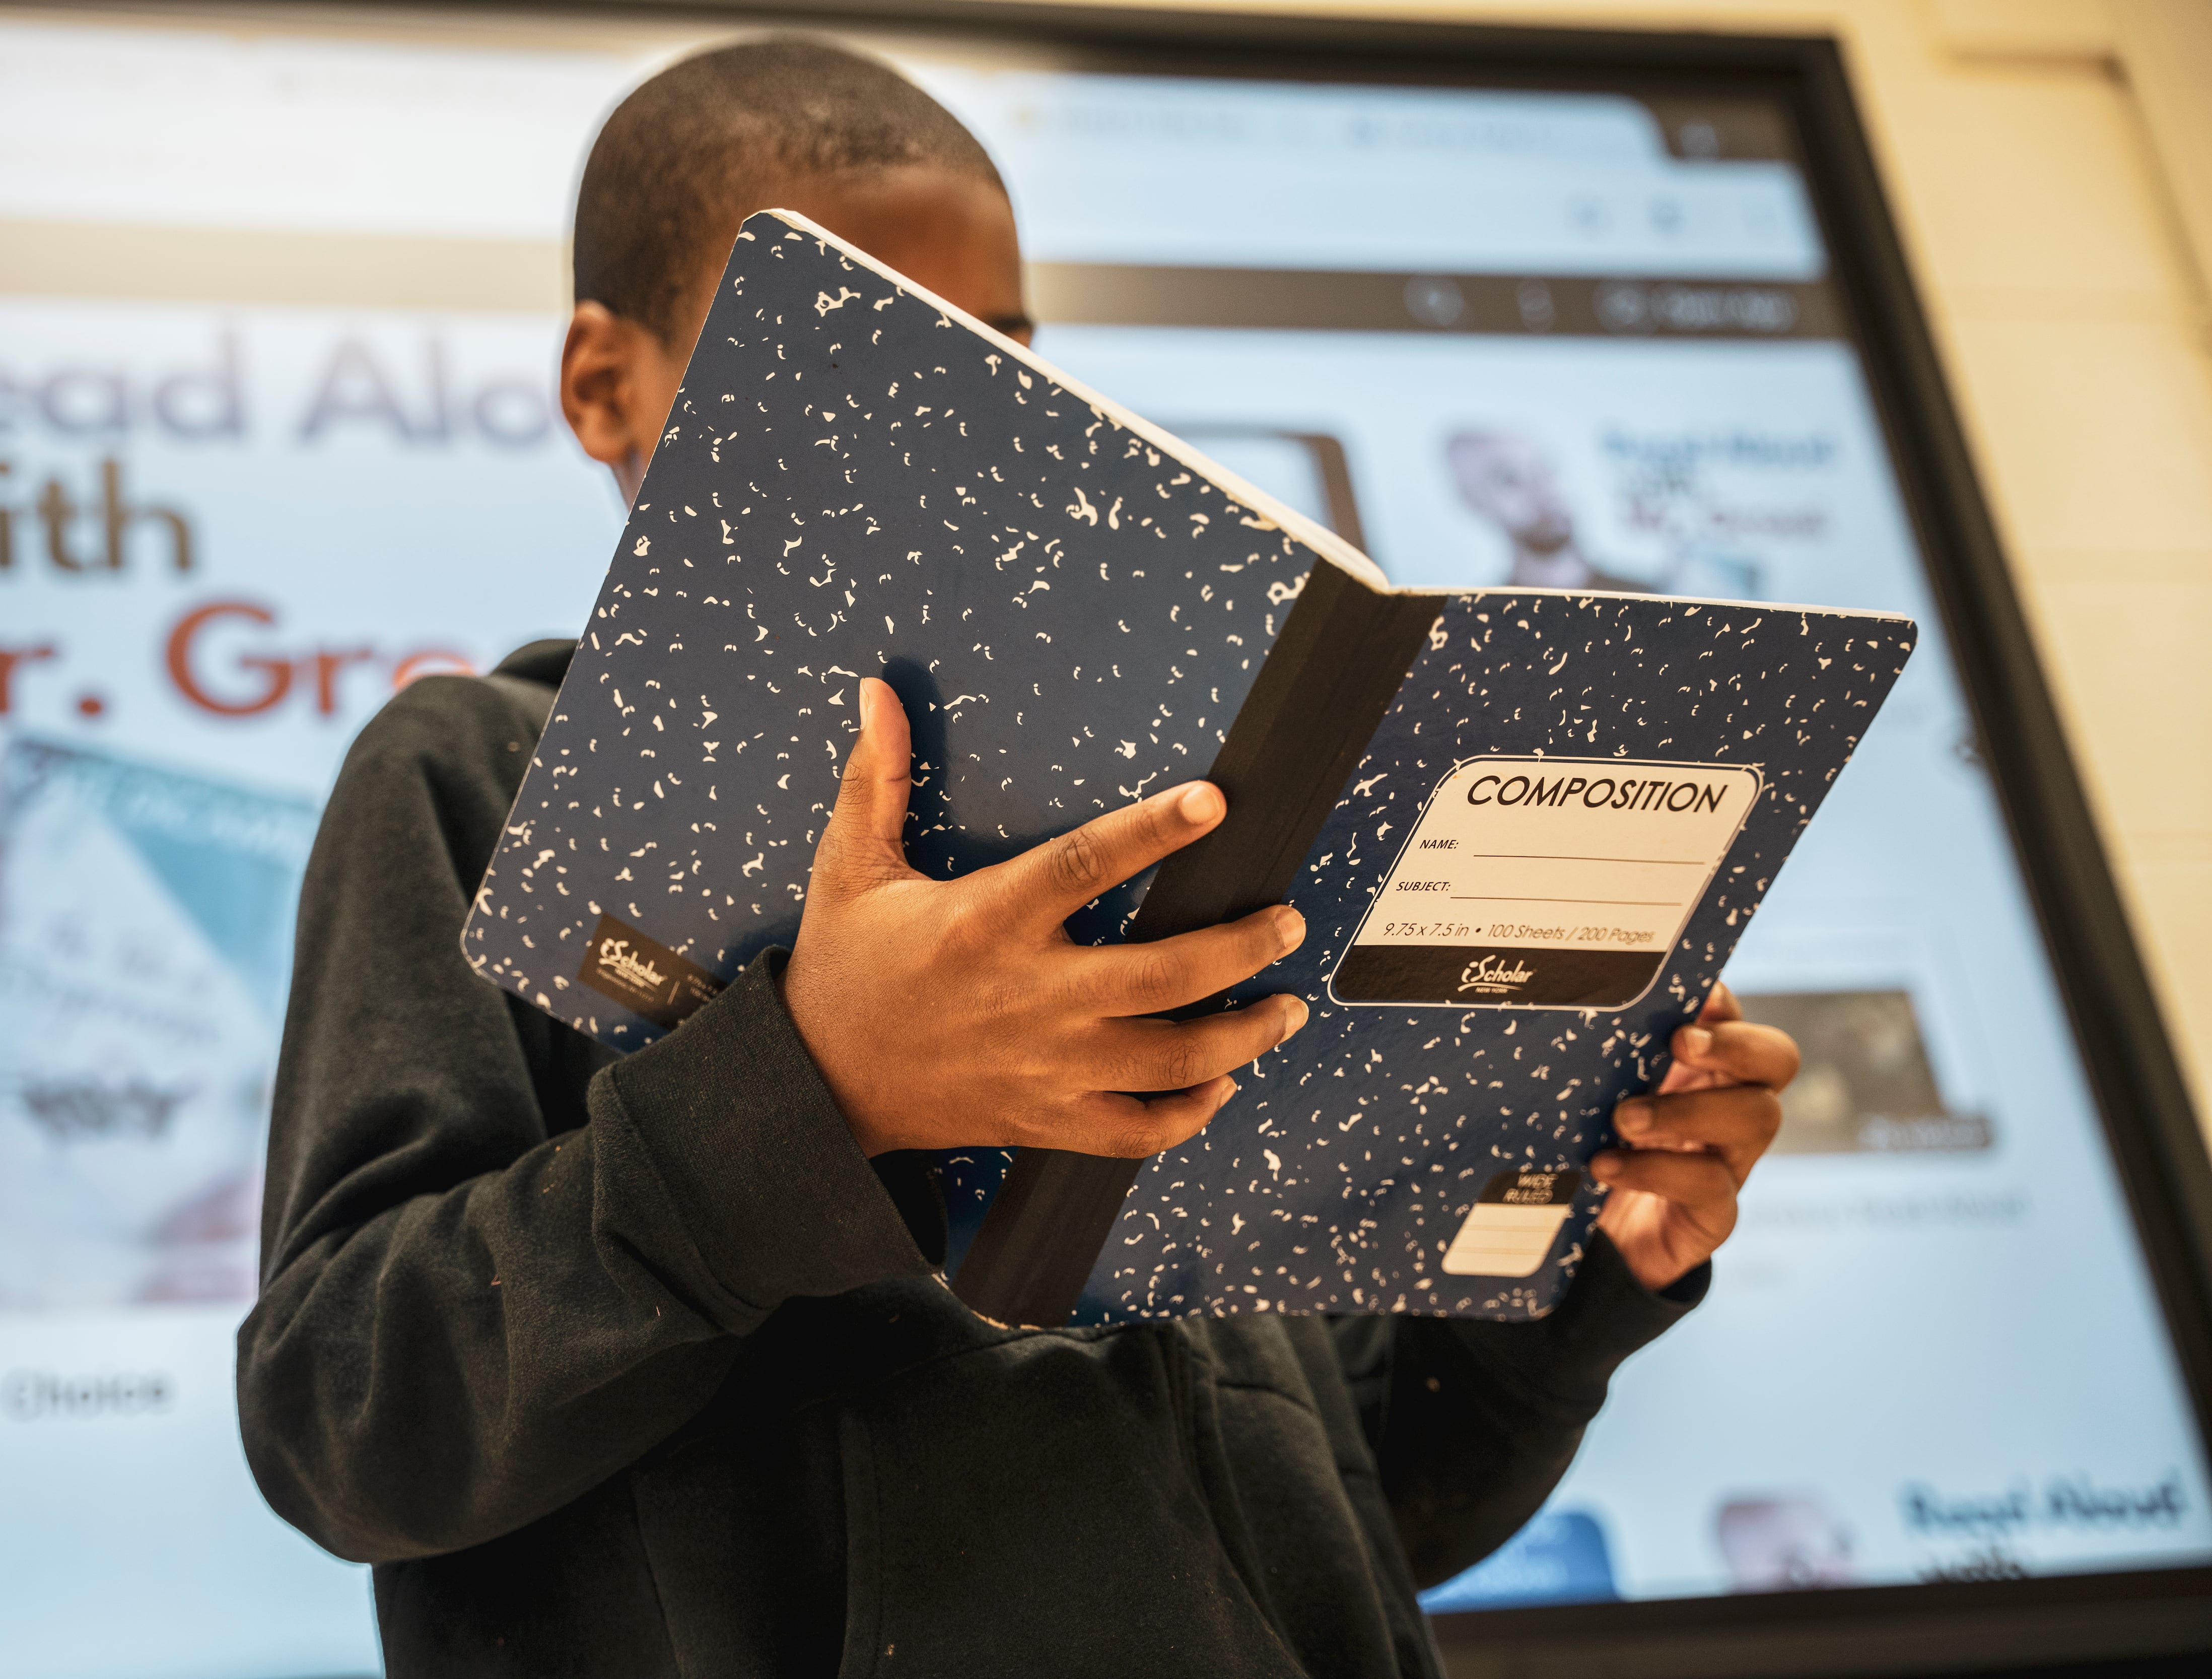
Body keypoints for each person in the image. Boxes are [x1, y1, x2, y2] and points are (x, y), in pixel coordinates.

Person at [239, 38, 1798, 1677]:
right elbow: (344, 1419)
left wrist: (1591, 1256)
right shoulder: (478, 773)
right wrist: (815, 1091)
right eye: (852, 366)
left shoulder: (1145, 835)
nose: (955, 442)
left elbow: (1354, 1503)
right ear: (605, 383)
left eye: (1003, 366)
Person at [1444, 427, 1653, 592]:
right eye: (1510, 479)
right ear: (1473, 501)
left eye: (1543, 468)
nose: (1543, 490)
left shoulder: (1648, 602)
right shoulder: (1478, 624)